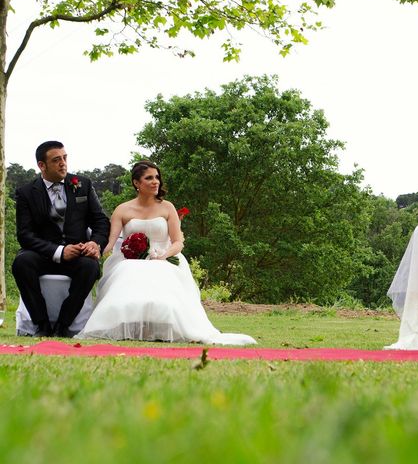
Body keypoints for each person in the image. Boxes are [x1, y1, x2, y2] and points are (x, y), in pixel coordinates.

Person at [75, 160, 256, 345]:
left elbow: (178, 241)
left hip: (164, 256)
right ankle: (127, 325)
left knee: (160, 272)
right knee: (128, 270)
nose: (156, 182)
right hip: (131, 260)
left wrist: (164, 255)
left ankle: (164, 327)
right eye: (149, 178)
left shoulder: (167, 207)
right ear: (137, 183)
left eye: (157, 177)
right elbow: (110, 242)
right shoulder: (122, 209)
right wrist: (93, 248)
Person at [12, 141, 110, 337]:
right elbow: (25, 234)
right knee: (21, 263)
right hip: (43, 255)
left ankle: (64, 325)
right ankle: (42, 325)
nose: (63, 163)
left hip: (78, 254)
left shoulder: (83, 184)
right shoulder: (25, 193)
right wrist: (59, 251)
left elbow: (101, 221)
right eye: (56, 160)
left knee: (90, 267)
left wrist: (95, 243)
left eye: (65, 158)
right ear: (42, 165)